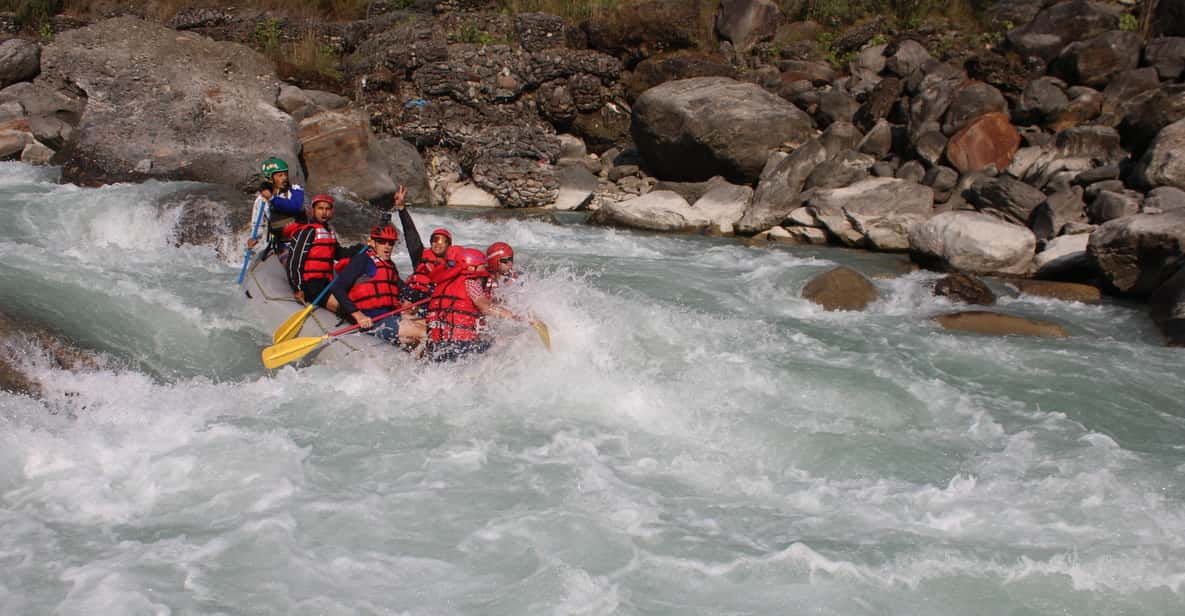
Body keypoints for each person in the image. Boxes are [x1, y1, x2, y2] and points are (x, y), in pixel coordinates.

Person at [425, 247, 530, 362]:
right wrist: (515, 316)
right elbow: (487, 308)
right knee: (501, 344)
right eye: (481, 265)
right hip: (460, 345)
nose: (484, 268)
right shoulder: (471, 283)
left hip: (435, 347)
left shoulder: (441, 285)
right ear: (471, 266)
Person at [329, 225, 426, 347]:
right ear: (373, 243)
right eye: (381, 242)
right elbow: (337, 288)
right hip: (372, 321)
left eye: (390, 243)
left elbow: (406, 291)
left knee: (428, 325)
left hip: (389, 316)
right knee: (424, 333)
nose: (387, 246)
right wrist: (359, 316)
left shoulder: (389, 266)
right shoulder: (363, 261)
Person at [286, 194, 349, 311]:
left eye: (327, 209)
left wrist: (360, 251)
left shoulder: (330, 232)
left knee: (351, 301)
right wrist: (298, 288)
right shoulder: (308, 231)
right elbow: (294, 262)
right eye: (320, 208)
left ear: (332, 212)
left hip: (327, 283)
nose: (324, 212)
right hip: (310, 285)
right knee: (345, 308)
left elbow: (339, 253)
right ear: (313, 211)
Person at [247, 157, 305, 253]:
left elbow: (295, 206)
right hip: (280, 243)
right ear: (270, 179)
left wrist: (272, 199)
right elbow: (257, 223)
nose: (285, 178)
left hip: (302, 240)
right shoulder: (261, 200)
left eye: (285, 174)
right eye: (280, 175)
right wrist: (254, 237)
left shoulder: (296, 190)